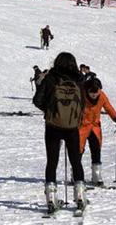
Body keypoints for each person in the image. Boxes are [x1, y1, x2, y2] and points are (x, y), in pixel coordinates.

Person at [33, 52, 86, 214]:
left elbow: (37, 100)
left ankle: (50, 198)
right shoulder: (79, 80)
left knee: (52, 161)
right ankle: (80, 196)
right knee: (76, 161)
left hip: (53, 126)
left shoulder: (50, 78)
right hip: (72, 127)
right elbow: (83, 103)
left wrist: (51, 111)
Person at [79, 78, 116, 186]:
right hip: (81, 126)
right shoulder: (81, 95)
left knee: (96, 149)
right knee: (78, 151)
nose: (94, 95)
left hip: (94, 127)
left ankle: (96, 176)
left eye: (96, 92)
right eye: (91, 92)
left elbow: (108, 107)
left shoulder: (101, 95)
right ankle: (76, 175)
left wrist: (115, 117)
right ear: (87, 90)